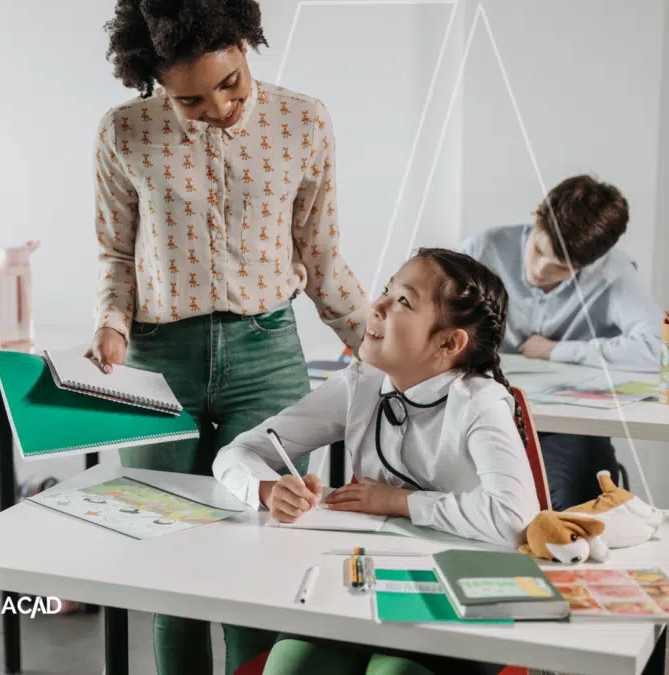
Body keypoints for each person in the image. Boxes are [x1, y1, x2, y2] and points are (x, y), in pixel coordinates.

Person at [85, 1, 369, 671]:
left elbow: (324, 259)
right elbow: (115, 255)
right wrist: (111, 324)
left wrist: (387, 345)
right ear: (153, 79)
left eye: (232, 83)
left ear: (246, 45)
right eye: (190, 99)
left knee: (265, 550)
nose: (218, 107)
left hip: (267, 354)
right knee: (169, 559)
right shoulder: (123, 133)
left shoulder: (304, 121)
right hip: (158, 361)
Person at [216, 249, 537, 675]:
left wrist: (400, 502)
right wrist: (266, 488)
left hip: (460, 600)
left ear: (448, 342)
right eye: (386, 291)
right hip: (364, 588)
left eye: (403, 301)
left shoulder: (480, 404)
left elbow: (515, 518)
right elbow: (237, 453)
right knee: (289, 667)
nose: (378, 306)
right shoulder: (360, 385)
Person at [459, 175, 658, 509]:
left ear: (589, 264)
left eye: (560, 268)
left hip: (565, 427)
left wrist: (556, 351)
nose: (539, 271)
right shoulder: (484, 248)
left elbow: (657, 348)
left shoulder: (614, 274)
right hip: (484, 411)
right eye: (537, 250)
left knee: (556, 499)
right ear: (537, 217)